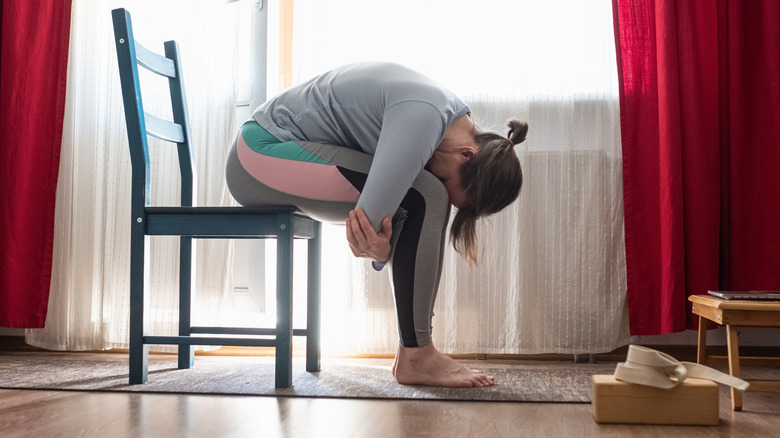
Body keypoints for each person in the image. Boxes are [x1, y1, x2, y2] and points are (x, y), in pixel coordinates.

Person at [225, 62, 527, 388]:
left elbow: (376, 227)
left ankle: (414, 353)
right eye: (447, 178)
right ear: (468, 154)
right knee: (428, 195)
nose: (436, 175)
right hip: (258, 155)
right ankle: (418, 355)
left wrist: (382, 247)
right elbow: (365, 229)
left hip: (272, 150)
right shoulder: (424, 117)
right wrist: (381, 249)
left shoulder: (441, 112)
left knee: (424, 193)